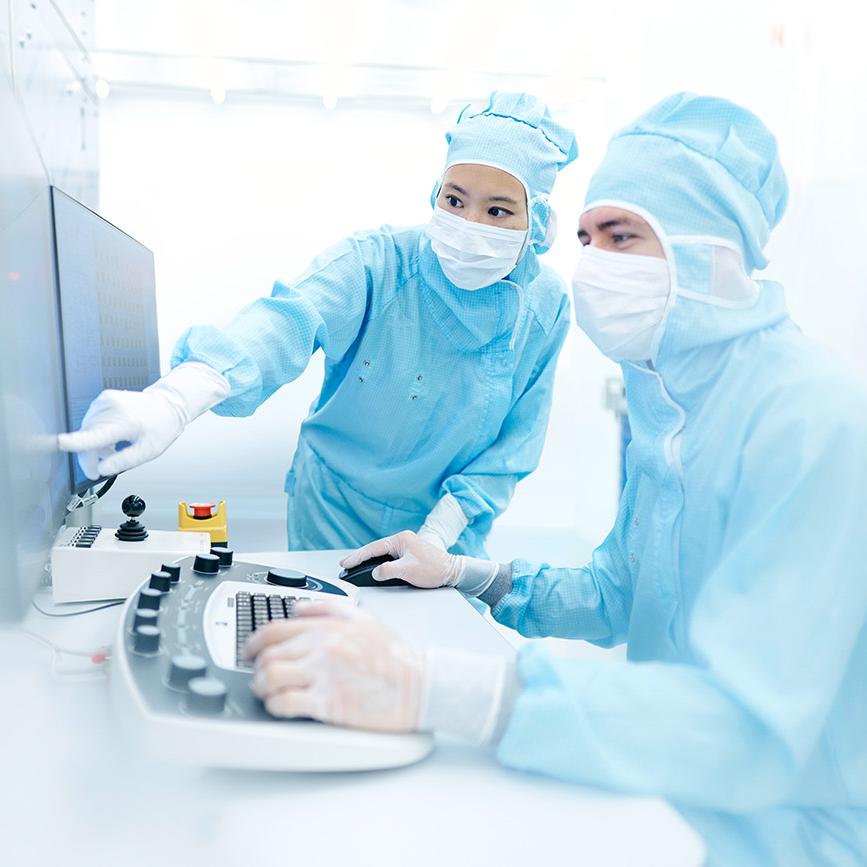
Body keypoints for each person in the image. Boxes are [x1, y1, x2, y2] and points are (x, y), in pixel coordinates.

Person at [243, 93, 867, 866]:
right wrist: (467, 573)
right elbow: (615, 593)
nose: (593, 262)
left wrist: (442, 688)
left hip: (792, 836)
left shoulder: (811, 420)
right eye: (585, 236)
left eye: (622, 234)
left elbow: (746, 727)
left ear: (710, 249)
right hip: (666, 788)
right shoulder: (672, 410)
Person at [58, 92, 577, 556]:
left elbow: (514, 442)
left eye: (500, 211)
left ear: (540, 222)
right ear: (435, 192)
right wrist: (175, 398)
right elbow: (285, 322)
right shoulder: (377, 263)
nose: (469, 226)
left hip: (447, 522)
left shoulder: (546, 305)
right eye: (455, 199)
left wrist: (437, 537)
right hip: (332, 506)